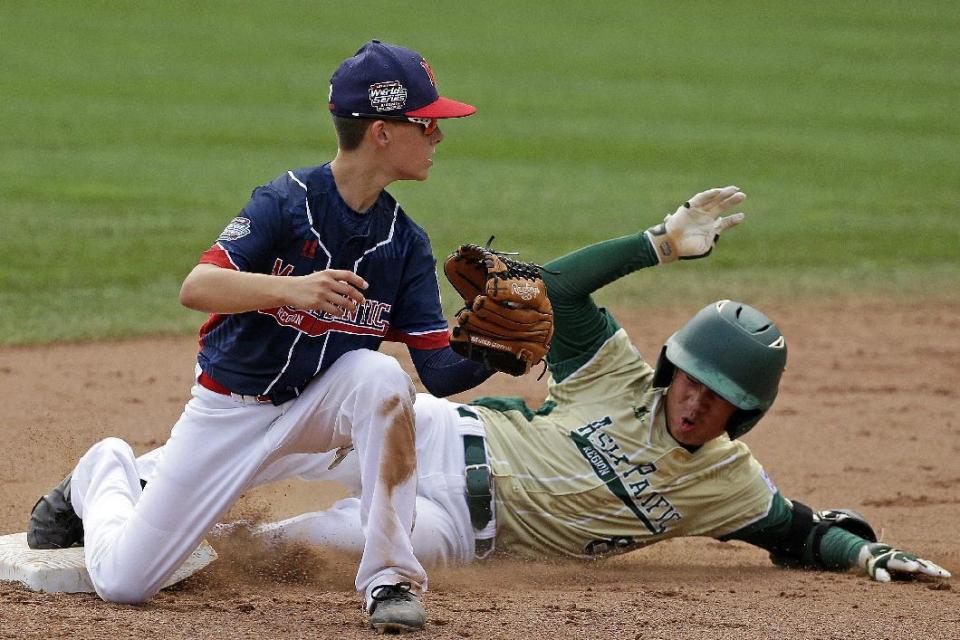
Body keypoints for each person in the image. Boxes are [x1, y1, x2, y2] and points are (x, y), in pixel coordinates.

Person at [232, 186, 951, 585]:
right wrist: (660, 245)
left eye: (720, 396)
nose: (698, 401)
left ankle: (190, 552)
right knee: (266, 446)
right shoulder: (616, 376)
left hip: (457, 534)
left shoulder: (730, 484)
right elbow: (555, 291)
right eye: (692, 381)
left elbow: (801, 532)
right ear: (672, 370)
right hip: (445, 439)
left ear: (747, 413)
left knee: (309, 546)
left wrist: (864, 553)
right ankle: (149, 486)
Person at [26, 40, 498, 634]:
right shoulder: (285, 202)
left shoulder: (405, 242)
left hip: (321, 416)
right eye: (426, 123)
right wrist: (291, 289)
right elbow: (198, 286)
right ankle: (104, 468)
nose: (438, 136)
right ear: (381, 131)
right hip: (232, 415)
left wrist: (492, 349)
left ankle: (389, 579)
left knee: (380, 377)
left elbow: (438, 373)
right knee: (125, 582)